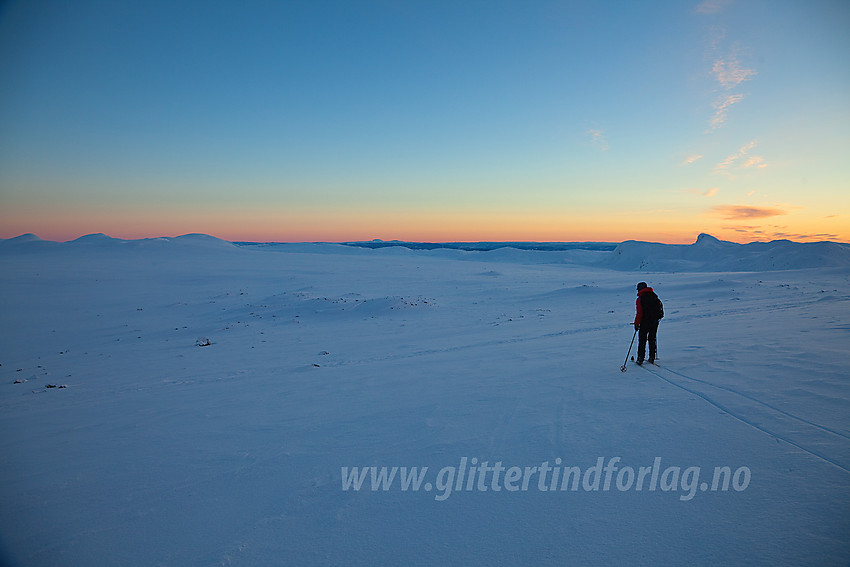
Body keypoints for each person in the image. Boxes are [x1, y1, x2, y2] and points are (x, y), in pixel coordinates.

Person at [633, 282, 662, 365]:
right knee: (652, 339)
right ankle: (652, 357)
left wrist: (636, 323)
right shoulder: (654, 296)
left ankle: (640, 358)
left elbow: (639, 313)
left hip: (644, 322)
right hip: (655, 321)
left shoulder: (640, 299)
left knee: (642, 340)